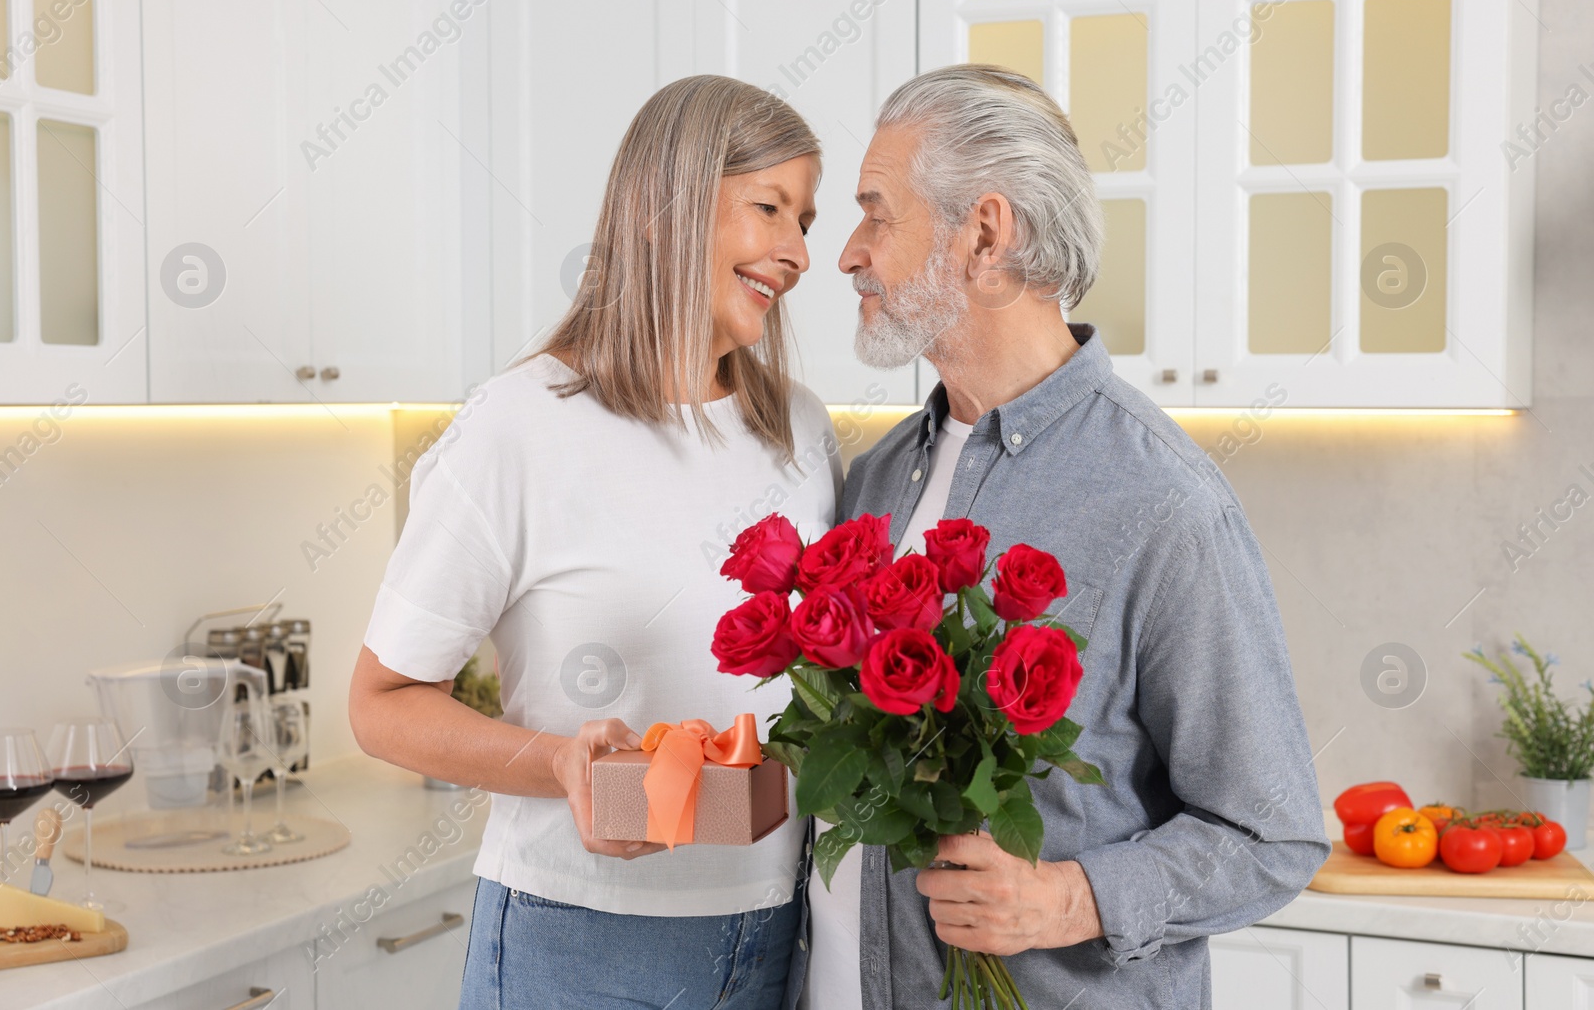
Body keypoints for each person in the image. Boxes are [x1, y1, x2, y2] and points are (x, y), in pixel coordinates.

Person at [791, 63, 1330, 1009]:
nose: (847, 253)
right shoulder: (876, 478)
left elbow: (1273, 831)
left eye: (878, 213)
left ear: (985, 234)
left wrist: (1071, 897)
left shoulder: (1163, 500)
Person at [349, 74, 842, 1010]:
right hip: (580, 946)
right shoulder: (520, 426)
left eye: (807, 221)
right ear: (664, 209)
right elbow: (381, 702)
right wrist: (560, 764)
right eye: (768, 209)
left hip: (776, 931)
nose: (796, 252)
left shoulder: (802, 433)